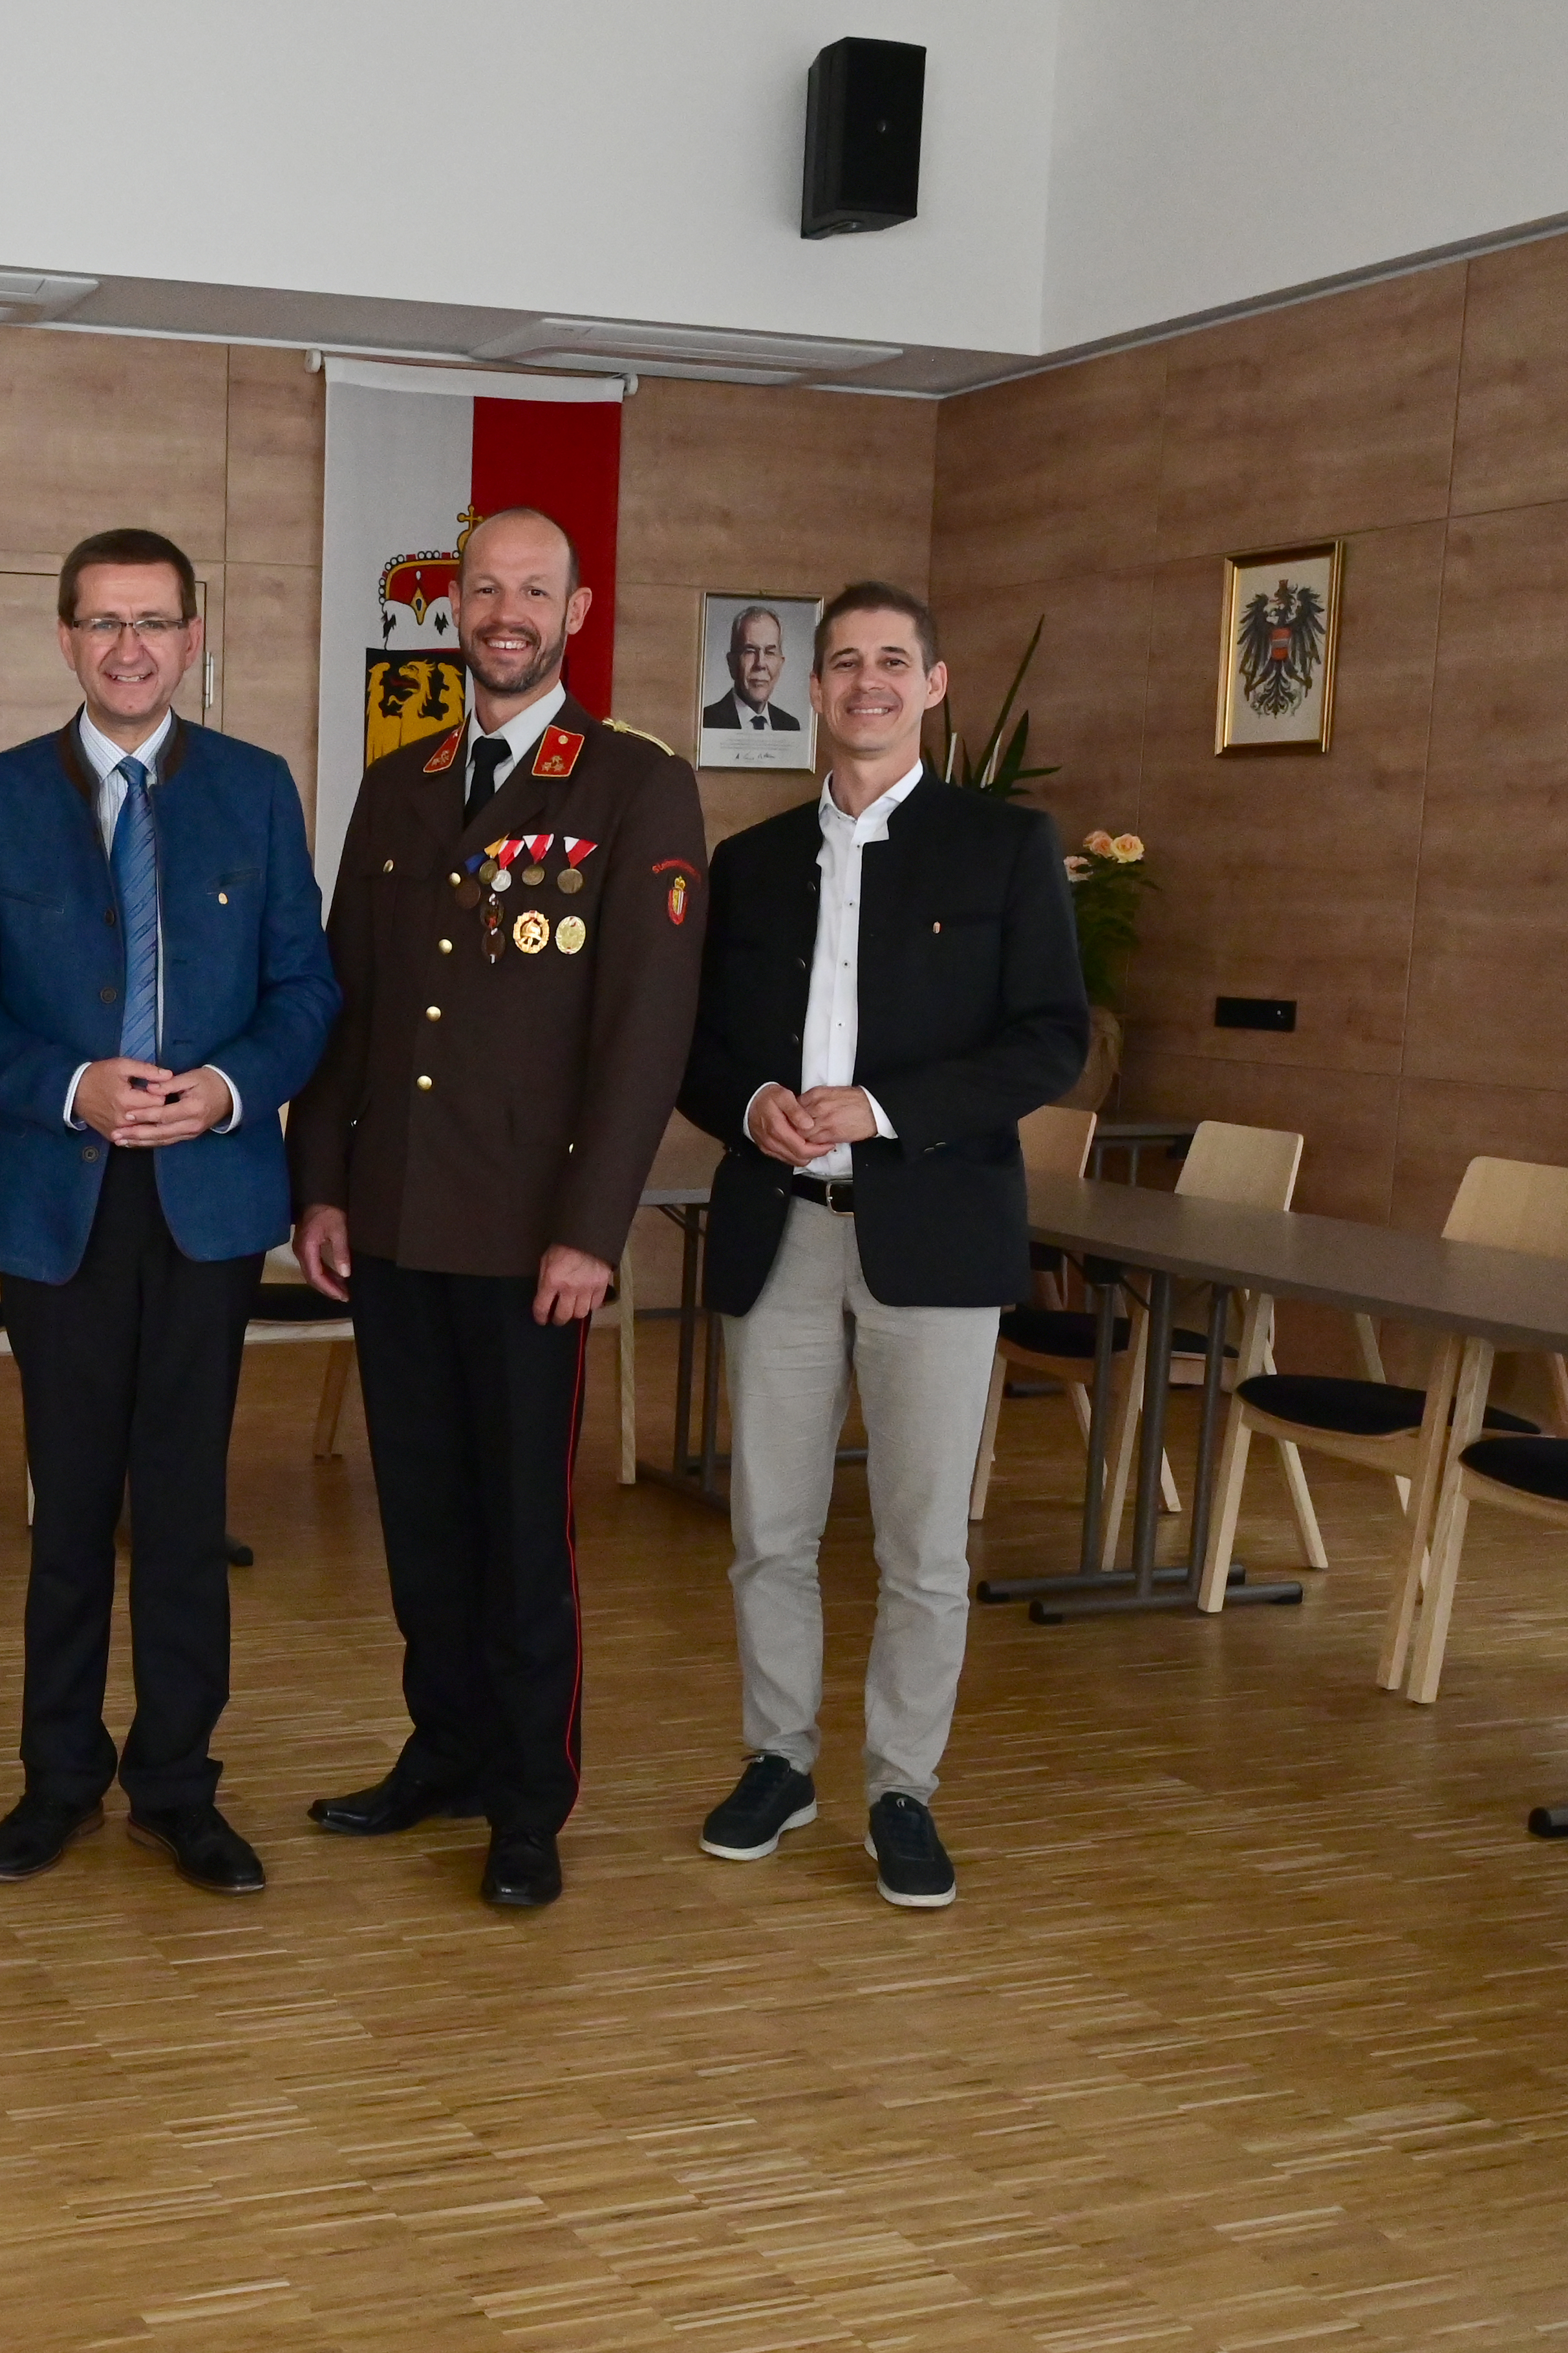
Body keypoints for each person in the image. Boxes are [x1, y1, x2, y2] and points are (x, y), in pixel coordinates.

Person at [286, 506, 707, 1911]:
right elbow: (349, 1002)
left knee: (524, 1528)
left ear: (577, 612)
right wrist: (324, 1181)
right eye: (484, 589)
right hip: (397, 1218)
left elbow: (644, 1034)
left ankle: (527, 1800)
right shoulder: (399, 783)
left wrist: (593, 1226)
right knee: (421, 1512)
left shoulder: (634, 785)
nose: (504, 611)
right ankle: (444, 1749)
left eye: (534, 590)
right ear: (451, 610)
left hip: (534, 1237)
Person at [0, 528, 336, 1896]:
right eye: (101, 623)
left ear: (191, 637)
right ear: (63, 638)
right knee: (67, 1512)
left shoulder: (255, 789)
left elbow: (306, 992)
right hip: (58, 1197)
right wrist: (69, 1089)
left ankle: (176, 1783)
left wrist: (224, 1091)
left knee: (181, 1507)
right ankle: (56, 1775)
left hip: (206, 1201)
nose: (127, 647)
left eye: (153, 623)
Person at [676, 581, 1087, 1909]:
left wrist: (886, 1109)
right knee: (768, 1531)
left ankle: (901, 1786)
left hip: (937, 1236)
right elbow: (697, 1049)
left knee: (919, 1546)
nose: (864, 681)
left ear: (934, 682)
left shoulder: (1003, 846)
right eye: (841, 661)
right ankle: (776, 1761)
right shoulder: (747, 863)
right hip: (780, 1230)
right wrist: (753, 1105)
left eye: (889, 661)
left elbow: (1047, 1039)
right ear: (811, 686)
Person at [702, 606, 800, 735]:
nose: (760, 664)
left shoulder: (790, 726)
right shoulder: (706, 721)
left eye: (770, 652)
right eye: (750, 651)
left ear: (780, 664)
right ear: (732, 663)